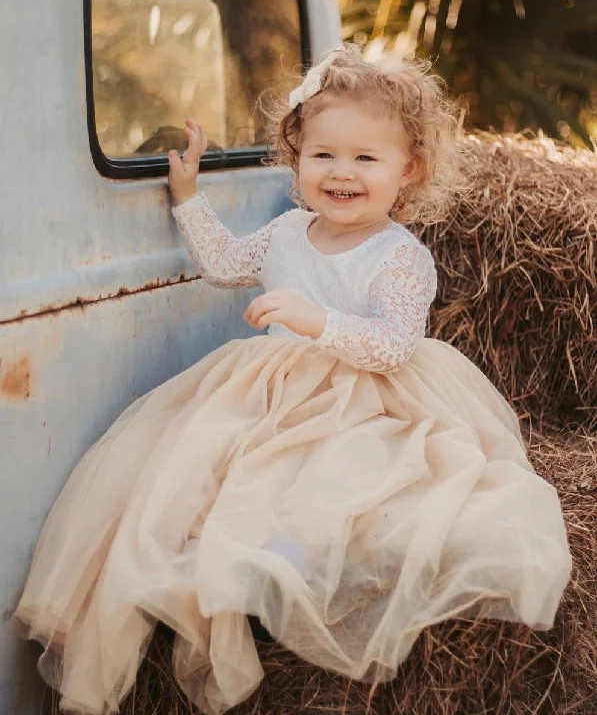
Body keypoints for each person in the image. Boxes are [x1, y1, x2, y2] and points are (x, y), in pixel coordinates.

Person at [13, 46, 571, 715]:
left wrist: (316, 320)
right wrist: (189, 198)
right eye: (323, 155)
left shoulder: (398, 257)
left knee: (342, 484)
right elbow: (222, 265)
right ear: (296, 157)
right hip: (267, 387)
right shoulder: (284, 233)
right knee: (206, 471)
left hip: (362, 395)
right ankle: (239, 567)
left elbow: (393, 346)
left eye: (366, 159)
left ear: (408, 170)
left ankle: (297, 572)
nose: (342, 173)